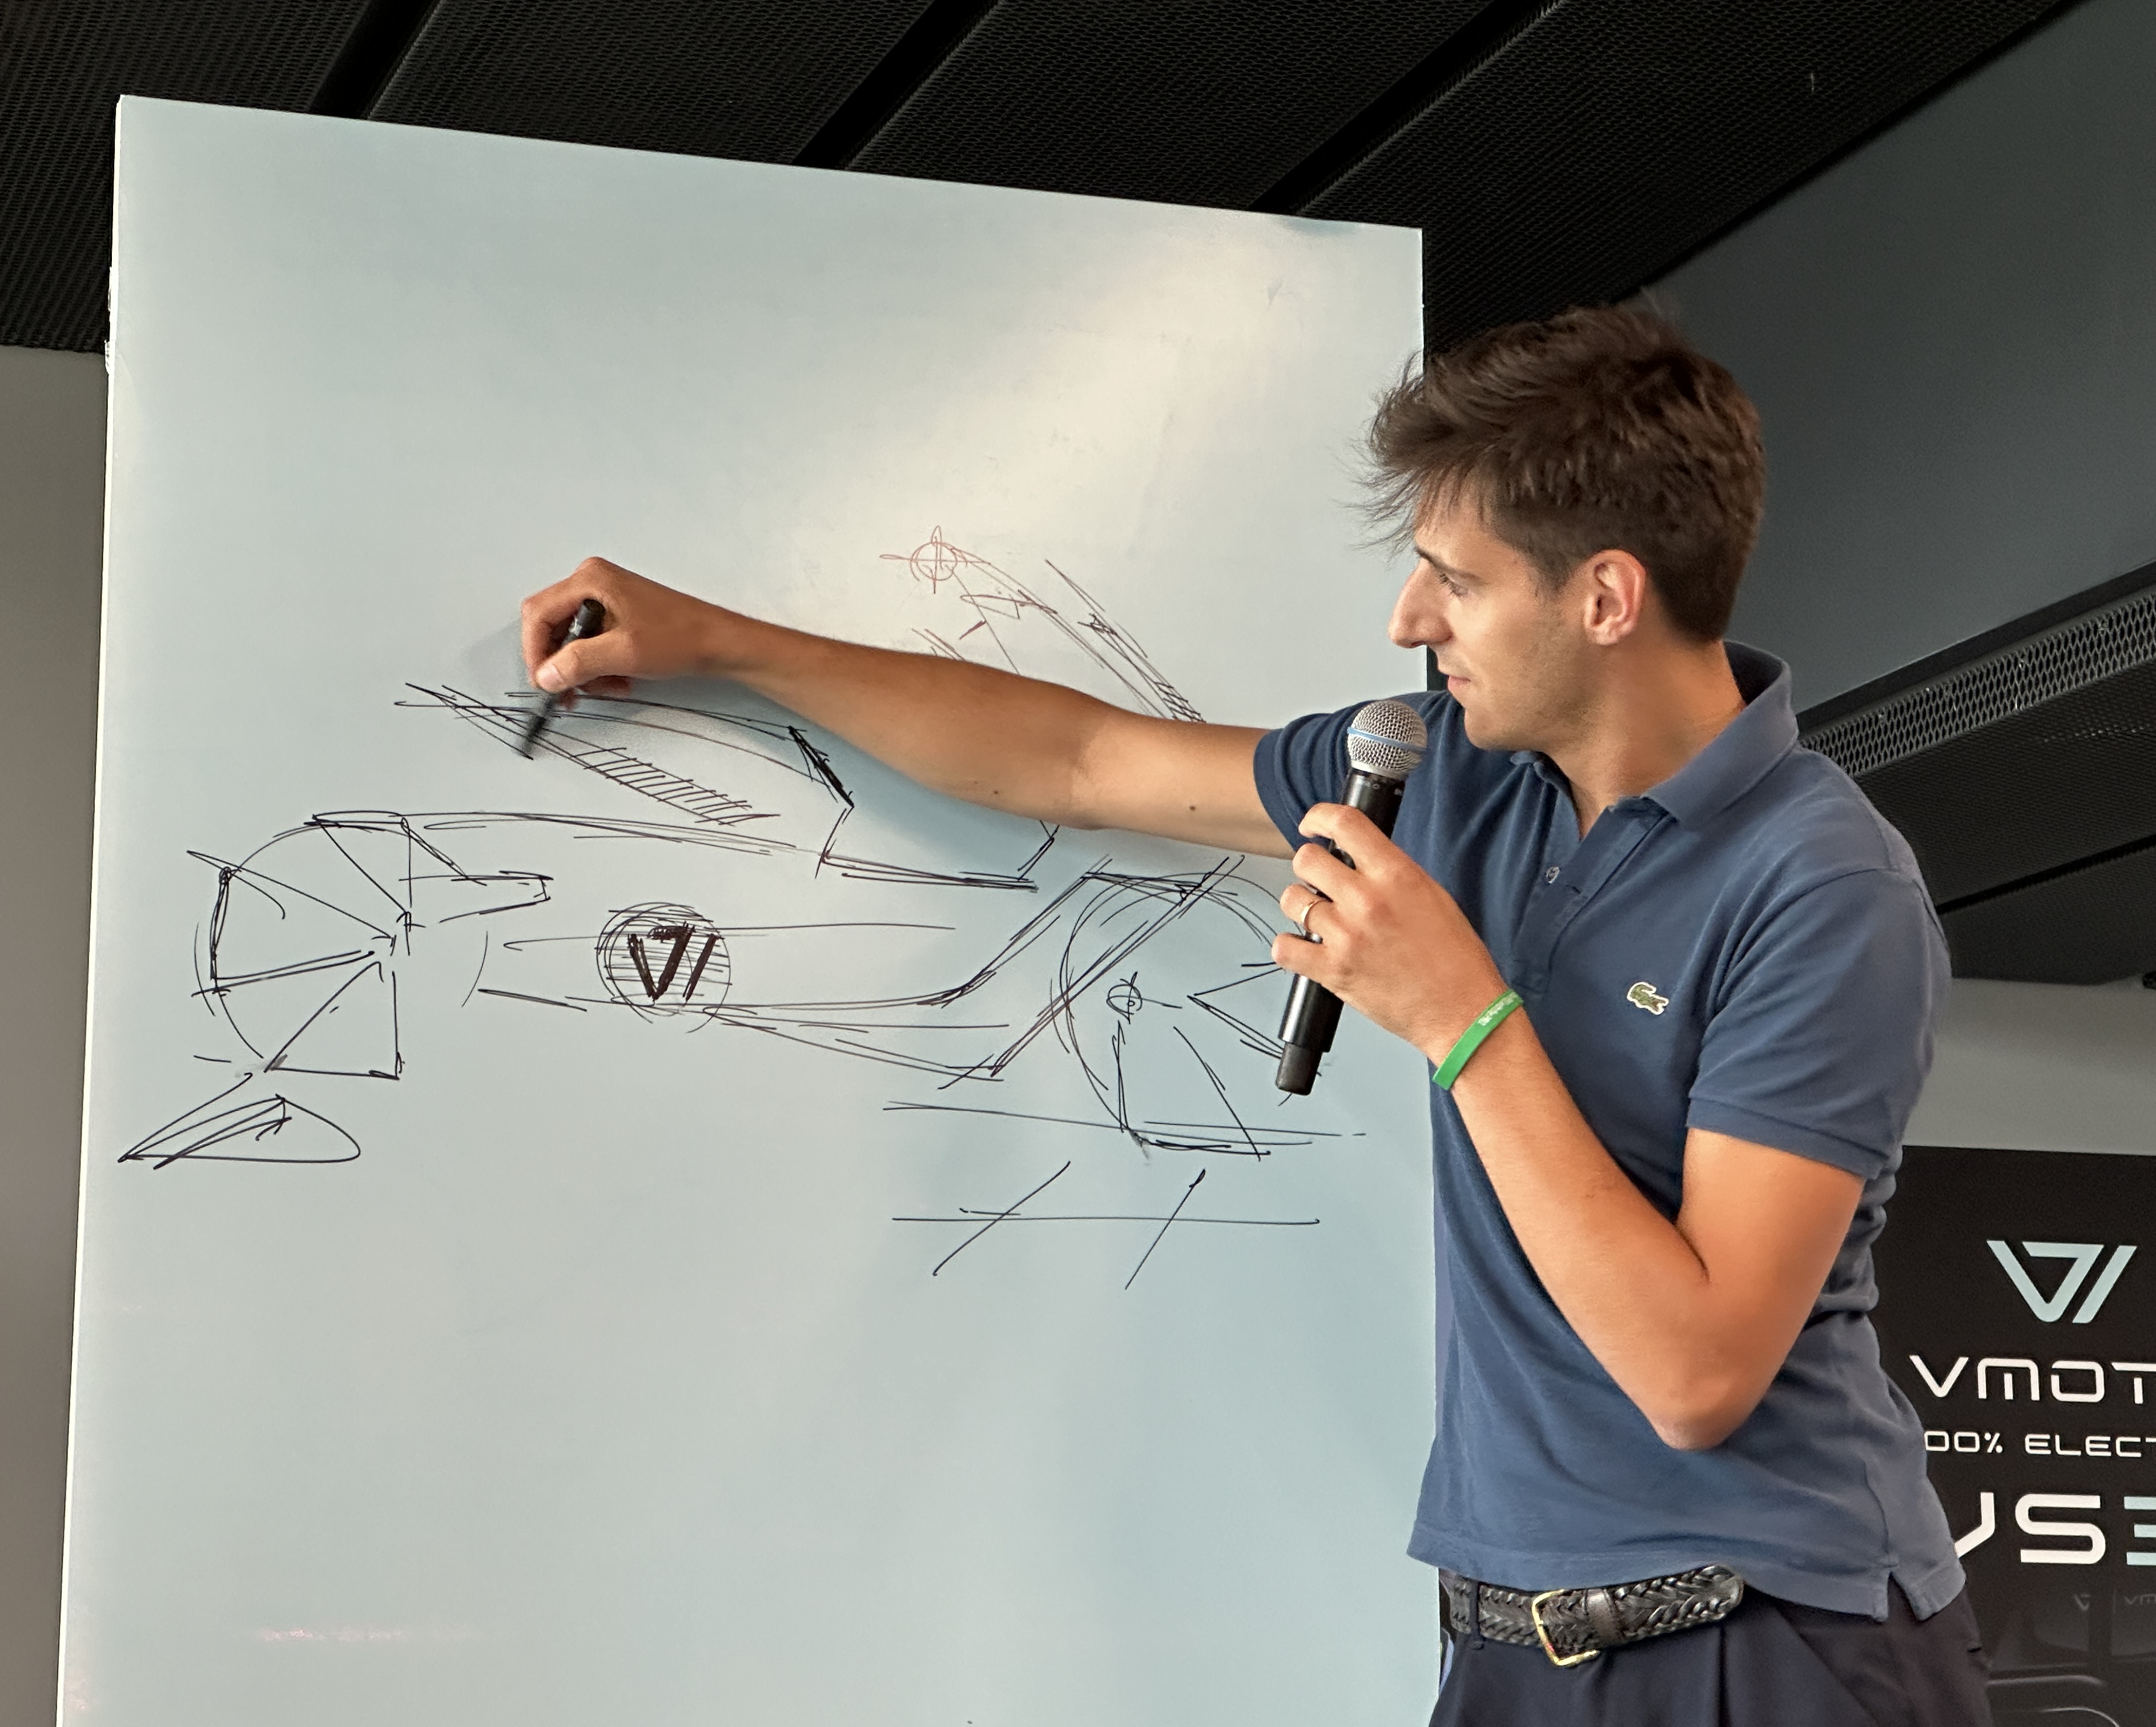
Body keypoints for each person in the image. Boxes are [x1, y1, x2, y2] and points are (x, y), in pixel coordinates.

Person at [518, 305, 1990, 1725]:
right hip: (1514, 1634)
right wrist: (724, 645)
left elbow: (1695, 1376)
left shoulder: (1824, 885)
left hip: (1768, 1644)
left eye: (1455, 580)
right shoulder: (1458, 775)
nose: (1410, 619)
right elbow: (1084, 761)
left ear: (1605, 598)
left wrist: (1464, 1021)